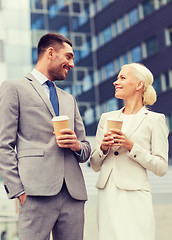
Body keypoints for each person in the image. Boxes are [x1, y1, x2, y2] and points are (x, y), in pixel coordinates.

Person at [0, 33, 91, 240]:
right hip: (34, 194)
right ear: (50, 53)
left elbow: (85, 149)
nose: (72, 64)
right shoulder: (14, 88)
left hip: (73, 195)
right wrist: (19, 192)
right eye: (68, 57)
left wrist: (77, 145)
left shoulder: (70, 99)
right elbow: (3, 145)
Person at [90, 63, 169, 240]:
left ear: (139, 84)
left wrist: (131, 146)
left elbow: (161, 167)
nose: (116, 82)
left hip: (135, 195)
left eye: (122, 78)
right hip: (107, 194)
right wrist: (103, 148)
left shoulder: (155, 120)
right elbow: (94, 165)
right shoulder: (106, 118)